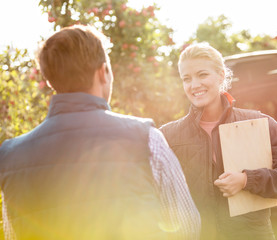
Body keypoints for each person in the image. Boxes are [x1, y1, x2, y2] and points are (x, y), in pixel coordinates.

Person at [0, 25, 200, 240]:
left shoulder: (10, 156)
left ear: (50, 81)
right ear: (103, 72)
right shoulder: (146, 138)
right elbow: (188, 227)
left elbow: (13, 235)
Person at [160, 43, 277, 240]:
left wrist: (247, 180)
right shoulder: (168, 136)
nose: (194, 85)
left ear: (220, 76)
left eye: (202, 75)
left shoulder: (258, 123)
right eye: (187, 78)